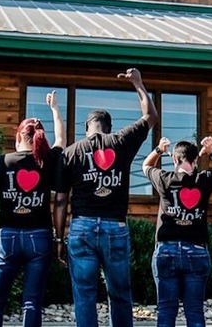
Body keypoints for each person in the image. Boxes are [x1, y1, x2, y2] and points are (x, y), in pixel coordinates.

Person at [54, 68, 158, 327]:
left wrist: (58, 237)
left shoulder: (71, 153)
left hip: (81, 227)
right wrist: (138, 84)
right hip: (115, 226)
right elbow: (150, 116)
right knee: (120, 293)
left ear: (86, 128)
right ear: (108, 128)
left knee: (84, 295)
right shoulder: (121, 141)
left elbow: (59, 199)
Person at [0, 91, 66, 327]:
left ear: (18, 136)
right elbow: (61, 139)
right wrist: (55, 109)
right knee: (32, 301)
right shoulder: (47, 160)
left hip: (7, 236)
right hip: (39, 236)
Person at [142, 136, 212, 327]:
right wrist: (211, 150)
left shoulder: (164, 178)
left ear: (174, 159)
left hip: (166, 251)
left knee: (166, 309)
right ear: (195, 160)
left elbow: (145, 166)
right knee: (195, 310)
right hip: (196, 251)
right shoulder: (203, 179)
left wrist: (158, 150)